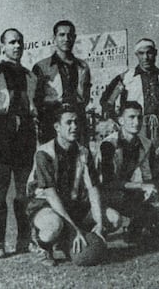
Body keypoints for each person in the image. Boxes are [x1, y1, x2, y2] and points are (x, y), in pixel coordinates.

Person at [27, 103, 118, 266]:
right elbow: (51, 195)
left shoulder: (83, 151)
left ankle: (67, 241)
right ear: (57, 127)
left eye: (76, 122)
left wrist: (99, 223)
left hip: (74, 205)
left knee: (113, 219)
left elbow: (93, 189)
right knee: (53, 227)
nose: (74, 127)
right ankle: (40, 245)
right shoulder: (44, 153)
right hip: (45, 205)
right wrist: (74, 228)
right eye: (68, 122)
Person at [0, 28, 37, 258]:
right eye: (12, 42)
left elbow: (34, 106)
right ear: (2, 45)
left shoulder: (31, 76)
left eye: (20, 42)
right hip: (1, 135)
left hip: (25, 134)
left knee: (24, 191)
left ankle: (24, 240)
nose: (17, 46)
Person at [95, 101, 158, 240]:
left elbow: (147, 175)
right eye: (131, 117)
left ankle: (135, 229)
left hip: (124, 188)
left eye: (139, 117)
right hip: (102, 192)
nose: (136, 122)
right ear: (121, 120)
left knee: (156, 204)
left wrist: (150, 190)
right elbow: (107, 182)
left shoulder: (146, 143)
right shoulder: (109, 144)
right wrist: (141, 186)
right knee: (116, 216)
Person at [100, 38, 159, 145]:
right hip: (135, 127)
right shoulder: (125, 78)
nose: (146, 57)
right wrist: (119, 122)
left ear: (155, 53)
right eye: (141, 53)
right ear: (136, 55)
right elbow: (107, 102)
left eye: (149, 53)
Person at [33, 20, 91, 144]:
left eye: (70, 35)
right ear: (54, 38)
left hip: (77, 120)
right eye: (62, 35)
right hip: (52, 121)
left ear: (74, 38)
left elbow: (85, 95)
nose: (66, 39)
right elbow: (36, 99)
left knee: (80, 157)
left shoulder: (83, 67)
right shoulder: (41, 67)